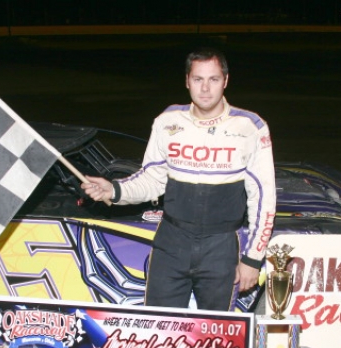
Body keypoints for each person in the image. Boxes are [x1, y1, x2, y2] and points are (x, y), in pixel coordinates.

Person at [81, 47, 276, 311]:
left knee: (215, 336)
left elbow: (263, 198)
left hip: (220, 246)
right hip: (172, 242)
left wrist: (252, 259)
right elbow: (152, 178)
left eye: (213, 79)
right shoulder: (167, 121)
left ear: (226, 81)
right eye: (198, 79)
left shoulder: (250, 126)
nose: (205, 88)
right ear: (187, 81)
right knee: (160, 330)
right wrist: (114, 191)